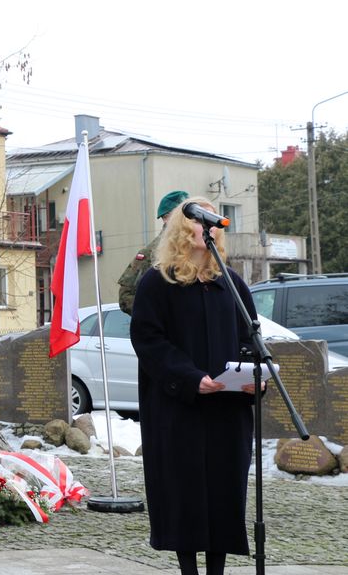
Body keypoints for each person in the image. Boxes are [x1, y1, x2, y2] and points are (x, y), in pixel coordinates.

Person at [130, 196, 260, 575]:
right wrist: (189, 378)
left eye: (213, 226)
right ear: (183, 231)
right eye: (199, 225)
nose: (208, 231)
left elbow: (250, 338)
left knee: (223, 493)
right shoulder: (158, 282)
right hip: (179, 411)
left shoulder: (231, 283)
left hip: (226, 411)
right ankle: (188, 569)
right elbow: (148, 340)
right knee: (183, 494)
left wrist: (254, 378)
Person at [118, 189, 188, 314]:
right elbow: (126, 296)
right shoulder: (151, 253)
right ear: (166, 218)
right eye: (182, 213)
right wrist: (156, 317)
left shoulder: (204, 246)